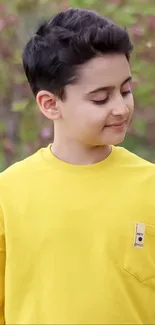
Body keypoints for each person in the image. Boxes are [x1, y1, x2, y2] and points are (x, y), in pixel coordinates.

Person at [0, 7, 155, 325]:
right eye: (100, 98)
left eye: (126, 90)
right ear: (50, 104)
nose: (121, 107)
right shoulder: (7, 194)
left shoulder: (149, 185)